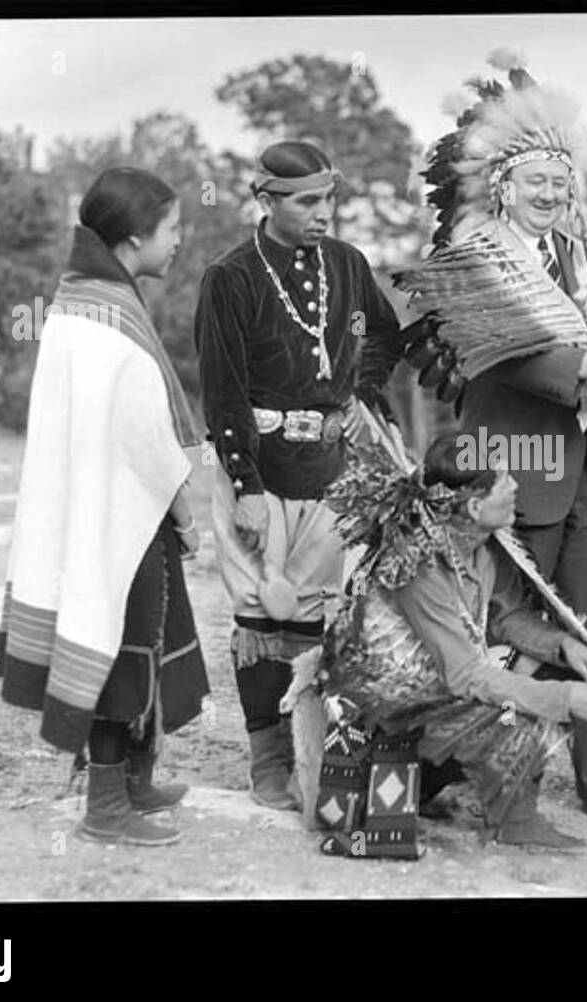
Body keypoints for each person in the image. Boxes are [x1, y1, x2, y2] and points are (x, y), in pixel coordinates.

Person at [372, 53, 587, 833]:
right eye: (537, 181)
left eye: (562, 183)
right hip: (514, 472)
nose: (552, 194)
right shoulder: (477, 258)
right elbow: (492, 355)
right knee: (510, 631)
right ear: (501, 183)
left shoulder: (581, 260)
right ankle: (486, 779)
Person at [0, 167, 209, 847]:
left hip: (112, 510)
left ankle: (137, 780)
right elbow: (144, 435)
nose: (178, 241)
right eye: (172, 228)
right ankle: (105, 807)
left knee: (149, 637)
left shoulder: (83, 300)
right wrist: (185, 509)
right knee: (122, 647)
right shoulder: (107, 317)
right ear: (135, 234)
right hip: (119, 518)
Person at [193, 140, 402, 811]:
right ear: (266, 200)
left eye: (326, 200)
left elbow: (386, 337)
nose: (321, 214)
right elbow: (221, 390)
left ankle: (306, 747)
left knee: (312, 618)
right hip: (254, 465)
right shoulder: (231, 277)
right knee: (261, 615)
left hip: (328, 469)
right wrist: (245, 486)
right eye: (307, 202)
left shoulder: (348, 263)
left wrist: (356, 397)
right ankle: (267, 760)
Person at [311, 432, 587, 854]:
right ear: (475, 506)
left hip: (434, 687)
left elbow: (510, 616)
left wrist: (563, 645)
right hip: (383, 703)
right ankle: (512, 820)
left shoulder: (480, 542)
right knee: (521, 711)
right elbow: (464, 676)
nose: (516, 485)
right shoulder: (419, 564)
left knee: (551, 671)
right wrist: (565, 698)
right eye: (504, 479)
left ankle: (429, 782)